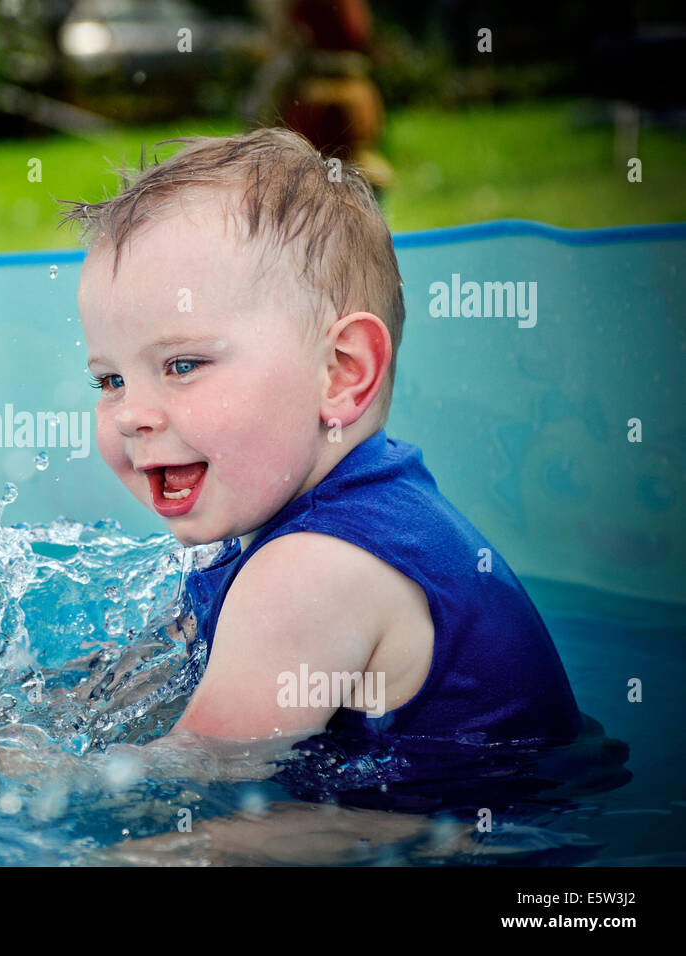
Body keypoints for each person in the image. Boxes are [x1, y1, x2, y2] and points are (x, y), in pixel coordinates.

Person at [54, 128, 584, 759]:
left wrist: (13, 770)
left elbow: (194, 775)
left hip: (469, 834)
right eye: (110, 380)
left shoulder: (311, 571)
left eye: (184, 365)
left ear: (342, 371)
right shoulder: (333, 509)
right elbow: (155, 673)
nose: (130, 415)